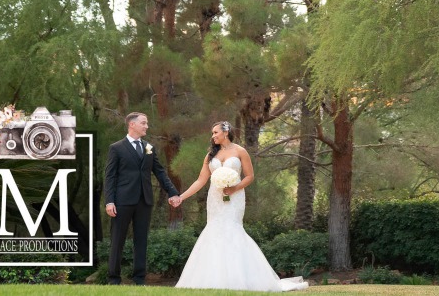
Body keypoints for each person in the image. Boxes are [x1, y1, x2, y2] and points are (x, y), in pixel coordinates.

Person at [175, 121, 308, 292]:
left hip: (235, 197)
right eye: (212, 133)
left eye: (216, 132)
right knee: (213, 230)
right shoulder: (210, 155)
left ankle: (240, 278)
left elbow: (249, 176)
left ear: (226, 132)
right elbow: (201, 180)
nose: (213, 136)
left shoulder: (240, 151)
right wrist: (181, 197)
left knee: (232, 229)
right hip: (215, 198)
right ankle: (212, 278)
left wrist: (234, 188)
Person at [104, 112, 182, 285]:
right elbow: (110, 177)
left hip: (144, 201)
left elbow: (160, 172)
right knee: (117, 240)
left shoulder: (149, 148)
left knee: (141, 241)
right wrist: (109, 201)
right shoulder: (116, 148)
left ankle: (139, 279)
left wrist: (173, 192)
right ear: (132, 124)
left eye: (146, 123)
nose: (147, 126)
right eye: (143, 123)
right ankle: (113, 279)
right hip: (121, 202)